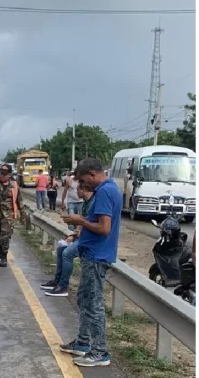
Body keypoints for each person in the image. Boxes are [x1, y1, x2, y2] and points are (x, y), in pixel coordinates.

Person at [60, 157, 122, 368]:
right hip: (92, 253)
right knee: (85, 300)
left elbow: (104, 228)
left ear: (94, 174)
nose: (83, 185)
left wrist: (80, 221)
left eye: (85, 180)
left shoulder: (104, 192)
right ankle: (84, 342)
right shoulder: (108, 188)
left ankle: (100, 351)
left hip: (97, 256)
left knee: (93, 305)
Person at [40, 183, 94, 297]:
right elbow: (82, 222)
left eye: (77, 190)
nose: (75, 193)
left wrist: (77, 230)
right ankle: (57, 281)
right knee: (61, 250)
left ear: (83, 189)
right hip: (82, 237)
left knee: (67, 253)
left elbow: (87, 222)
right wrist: (74, 235)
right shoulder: (86, 203)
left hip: (89, 241)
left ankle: (63, 287)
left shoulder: (92, 203)